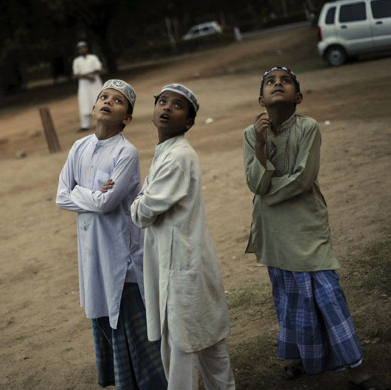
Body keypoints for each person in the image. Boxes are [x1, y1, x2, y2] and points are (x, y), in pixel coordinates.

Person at [242, 66, 388, 390]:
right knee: (289, 299)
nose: (277, 84)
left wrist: (266, 192)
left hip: (306, 228)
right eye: (270, 82)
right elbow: (254, 181)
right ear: (260, 99)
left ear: (298, 96)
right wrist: (261, 146)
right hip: (273, 232)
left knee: (327, 295)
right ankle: (301, 358)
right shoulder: (250, 135)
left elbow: (302, 179)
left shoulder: (308, 127)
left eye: (285, 81)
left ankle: (356, 369)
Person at [56, 79, 167, 389]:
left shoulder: (126, 153)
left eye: (117, 101)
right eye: (103, 97)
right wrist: (91, 193)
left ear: (127, 118)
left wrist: (83, 193)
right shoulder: (79, 147)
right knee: (103, 313)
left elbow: (106, 204)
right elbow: (61, 196)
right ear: (93, 107)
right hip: (92, 251)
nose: (107, 102)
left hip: (122, 256)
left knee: (132, 324)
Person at [131, 84, 235, 390]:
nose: (166, 107)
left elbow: (142, 211)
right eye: (162, 101)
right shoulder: (167, 151)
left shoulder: (177, 157)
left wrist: (139, 202)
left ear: (188, 123)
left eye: (177, 106)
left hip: (182, 263)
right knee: (203, 337)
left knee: (182, 343)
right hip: (181, 259)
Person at [72, 41, 103, 132]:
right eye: (80, 48)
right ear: (78, 50)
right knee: (84, 103)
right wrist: (89, 77)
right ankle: (84, 125)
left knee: (99, 102)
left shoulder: (93, 58)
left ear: (87, 48)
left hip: (96, 84)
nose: (83, 49)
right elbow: (76, 74)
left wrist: (85, 75)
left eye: (84, 47)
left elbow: (98, 69)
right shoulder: (77, 61)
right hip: (84, 85)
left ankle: (103, 122)